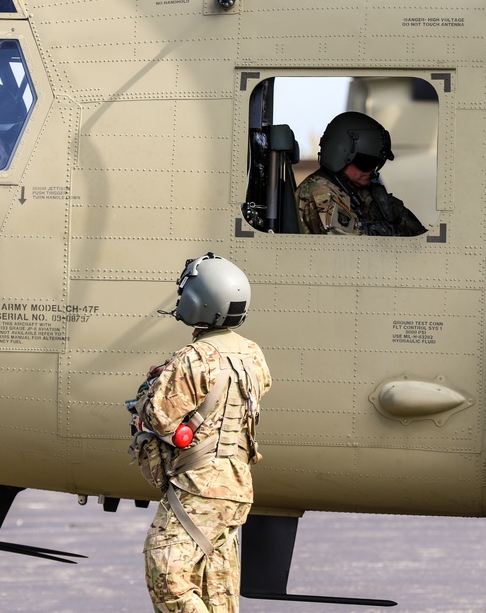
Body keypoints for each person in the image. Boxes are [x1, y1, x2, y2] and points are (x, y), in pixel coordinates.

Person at [136, 253, 271, 612]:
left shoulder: (194, 358)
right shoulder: (252, 354)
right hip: (236, 487)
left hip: (199, 486)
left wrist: (152, 385)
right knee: (216, 586)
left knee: (166, 572)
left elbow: (158, 417)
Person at [296, 111, 426, 236]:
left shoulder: (368, 194)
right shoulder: (320, 192)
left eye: (377, 162)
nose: (371, 169)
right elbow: (353, 250)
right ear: (340, 155)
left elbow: (422, 235)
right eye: (366, 162)